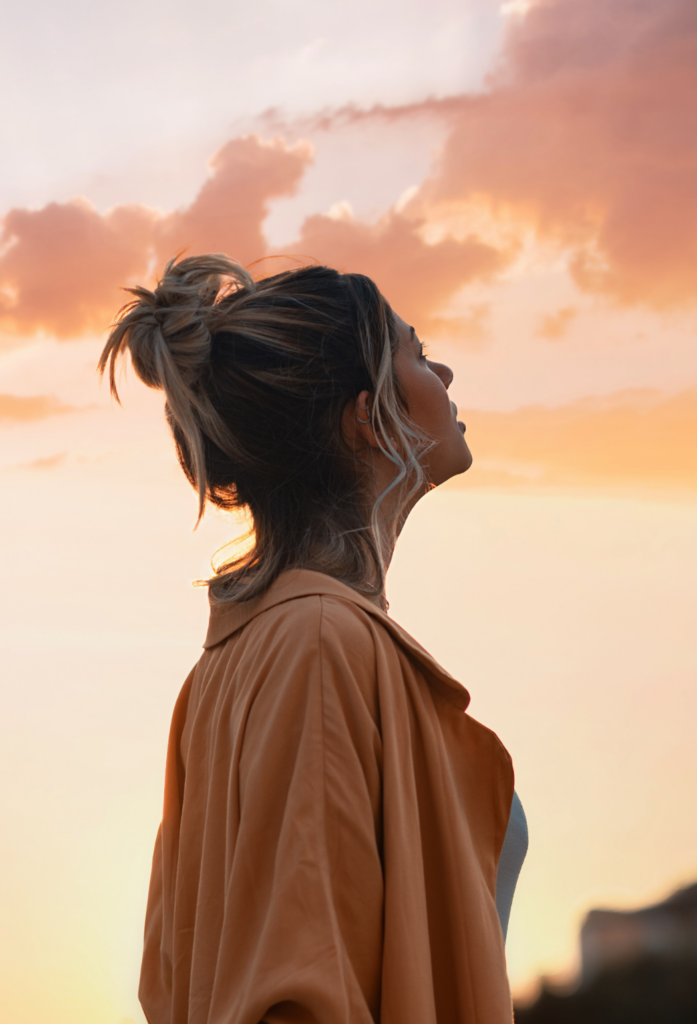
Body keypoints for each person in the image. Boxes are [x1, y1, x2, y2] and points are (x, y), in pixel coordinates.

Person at [99, 254, 528, 1024]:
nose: (447, 371)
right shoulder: (318, 640)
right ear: (368, 418)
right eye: (415, 353)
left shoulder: (242, 657)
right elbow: (300, 988)